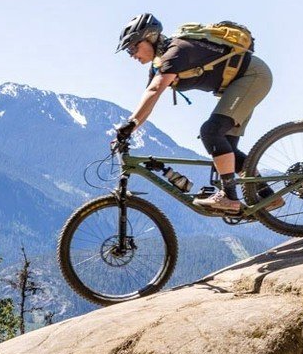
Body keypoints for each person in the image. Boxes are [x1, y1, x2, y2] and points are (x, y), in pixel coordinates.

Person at [111, 13, 275, 215]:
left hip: (253, 76)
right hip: (238, 86)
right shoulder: (159, 64)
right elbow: (149, 100)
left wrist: (130, 124)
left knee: (211, 132)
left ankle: (229, 198)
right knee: (226, 150)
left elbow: (154, 91)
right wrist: (128, 131)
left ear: (150, 37)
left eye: (132, 47)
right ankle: (269, 196)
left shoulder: (176, 52)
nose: (132, 55)